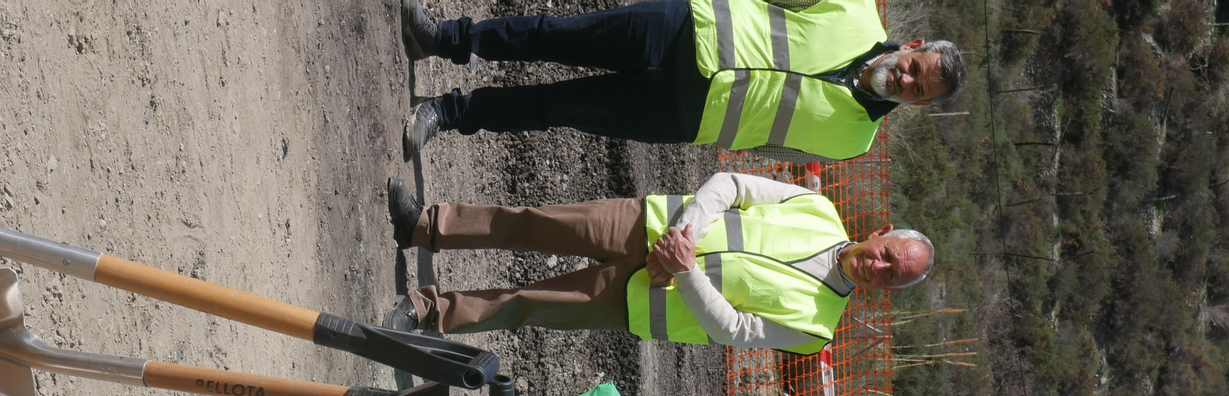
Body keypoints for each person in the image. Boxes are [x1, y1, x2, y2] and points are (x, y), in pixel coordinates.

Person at [383, 171, 934, 352]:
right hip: (644, 225)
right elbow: (731, 184)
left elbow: (736, 331)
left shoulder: (817, 329)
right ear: (880, 233)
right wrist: (682, 237)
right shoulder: (816, 207)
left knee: (526, 304)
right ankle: (426, 226)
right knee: (530, 221)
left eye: (892, 276)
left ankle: (429, 311)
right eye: (887, 255)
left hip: (644, 301)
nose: (879, 267)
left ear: (888, 292)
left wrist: (685, 270)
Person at [398, 0, 965, 161]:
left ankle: (448, 114)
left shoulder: (854, 143)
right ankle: (447, 38)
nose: (906, 81)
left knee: (558, 108)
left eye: (918, 91)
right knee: (555, 35)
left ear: (918, 104)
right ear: (912, 48)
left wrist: (719, 131)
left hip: (686, 116)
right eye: (916, 69)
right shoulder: (856, 10)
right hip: (685, 29)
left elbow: (772, 147)